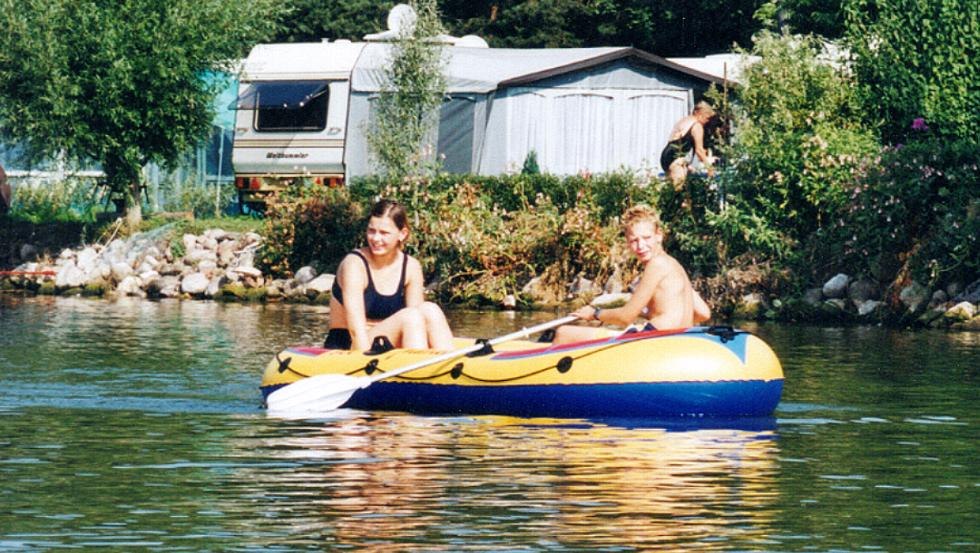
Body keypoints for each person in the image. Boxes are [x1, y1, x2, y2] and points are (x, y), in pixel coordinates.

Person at [553, 204, 711, 344]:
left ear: (659, 236)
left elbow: (625, 317)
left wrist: (594, 313)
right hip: (679, 340)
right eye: (634, 240)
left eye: (646, 238)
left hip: (659, 342)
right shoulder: (674, 265)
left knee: (564, 333)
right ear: (628, 242)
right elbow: (704, 313)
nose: (641, 245)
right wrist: (655, 316)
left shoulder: (656, 264)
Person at [325, 198, 455, 352]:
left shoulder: (411, 267)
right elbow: (356, 331)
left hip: (386, 343)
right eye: (371, 231)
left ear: (402, 234)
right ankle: (417, 372)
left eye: (384, 233)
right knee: (410, 318)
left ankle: (448, 365)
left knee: (430, 310)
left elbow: (420, 320)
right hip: (349, 345)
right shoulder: (354, 265)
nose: (375, 239)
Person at [659, 101, 717, 189]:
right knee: (678, 191)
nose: (707, 121)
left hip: (666, 156)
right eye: (707, 118)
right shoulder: (697, 126)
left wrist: (688, 166)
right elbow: (699, 151)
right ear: (699, 113)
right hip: (676, 159)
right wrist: (709, 167)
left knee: (677, 190)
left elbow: (680, 141)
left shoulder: (685, 120)